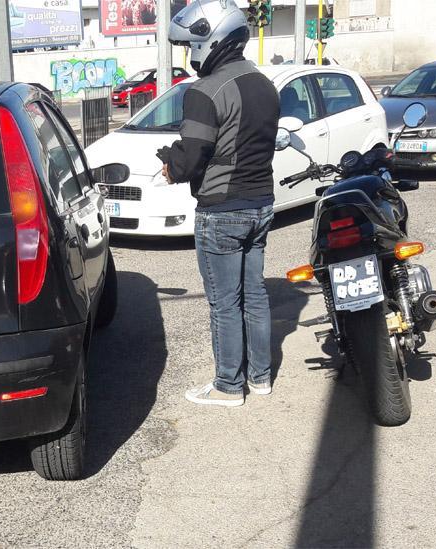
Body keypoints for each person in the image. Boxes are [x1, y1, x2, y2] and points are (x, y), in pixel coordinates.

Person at [160, 0, 280, 407]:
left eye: (188, 45)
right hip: (262, 203)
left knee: (224, 304)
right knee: (256, 294)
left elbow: (193, 156)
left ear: (208, 40)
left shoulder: (206, 90)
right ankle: (261, 377)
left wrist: (170, 164)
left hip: (222, 209)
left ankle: (229, 386)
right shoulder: (264, 82)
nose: (188, 55)